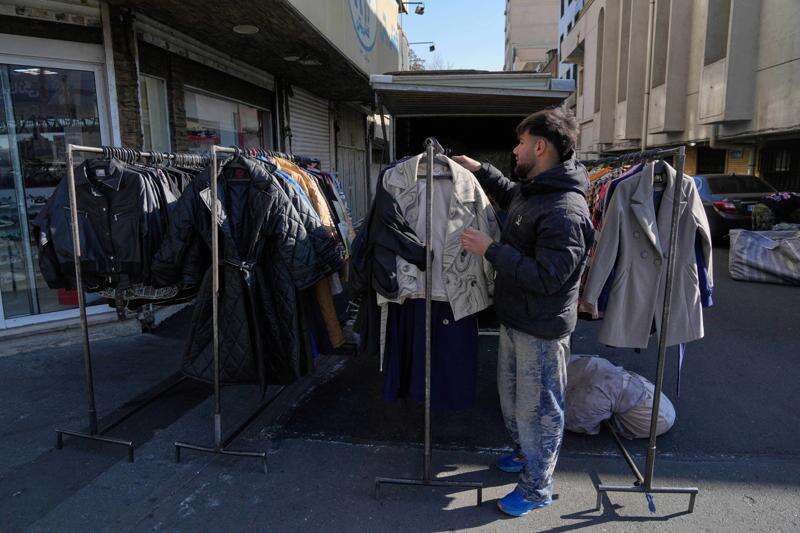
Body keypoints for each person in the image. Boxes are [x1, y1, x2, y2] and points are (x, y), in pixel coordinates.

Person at [454, 107, 594, 517]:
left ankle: (537, 488)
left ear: (540, 147)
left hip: (542, 330)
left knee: (540, 413)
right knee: (515, 403)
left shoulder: (565, 210)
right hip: (517, 320)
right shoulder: (535, 190)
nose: (514, 150)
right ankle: (523, 456)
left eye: (520, 143)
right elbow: (509, 195)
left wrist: (490, 250)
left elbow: (548, 278)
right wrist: (479, 169)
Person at [565, 355, 676, 439]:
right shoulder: (586, 362)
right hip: (654, 400)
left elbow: (580, 424)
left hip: (652, 419)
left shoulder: (587, 402)